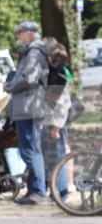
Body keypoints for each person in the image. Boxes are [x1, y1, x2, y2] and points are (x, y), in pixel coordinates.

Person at [3, 20, 50, 205]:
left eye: (20, 34)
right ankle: (34, 190)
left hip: (29, 106)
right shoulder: (33, 52)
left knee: (29, 150)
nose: (18, 38)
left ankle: (38, 191)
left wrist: (10, 86)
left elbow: (29, 78)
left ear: (30, 33)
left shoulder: (34, 52)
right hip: (29, 106)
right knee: (30, 149)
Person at [40, 37, 71, 202]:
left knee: (57, 158)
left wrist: (57, 127)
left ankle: (62, 192)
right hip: (50, 121)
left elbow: (61, 104)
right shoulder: (53, 70)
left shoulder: (58, 72)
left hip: (56, 122)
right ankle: (54, 191)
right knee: (49, 157)